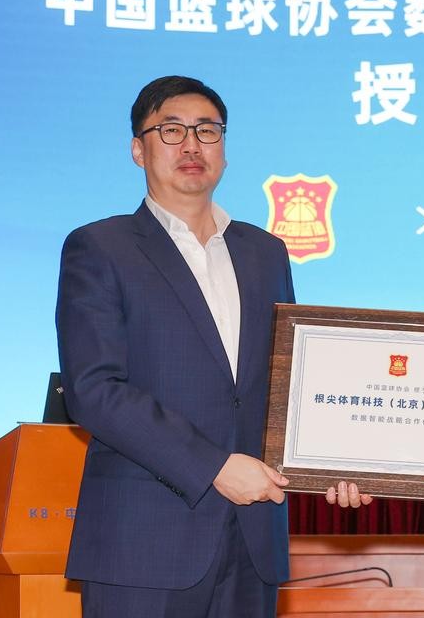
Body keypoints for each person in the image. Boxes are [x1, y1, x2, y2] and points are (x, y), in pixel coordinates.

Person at [57, 75, 369, 618]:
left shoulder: (265, 252)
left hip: (252, 540)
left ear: (224, 148)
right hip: (144, 543)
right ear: (138, 150)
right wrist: (214, 466)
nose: (192, 145)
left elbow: (288, 383)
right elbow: (94, 390)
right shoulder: (100, 247)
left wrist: (338, 462)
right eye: (171, 130)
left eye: (208, 131)